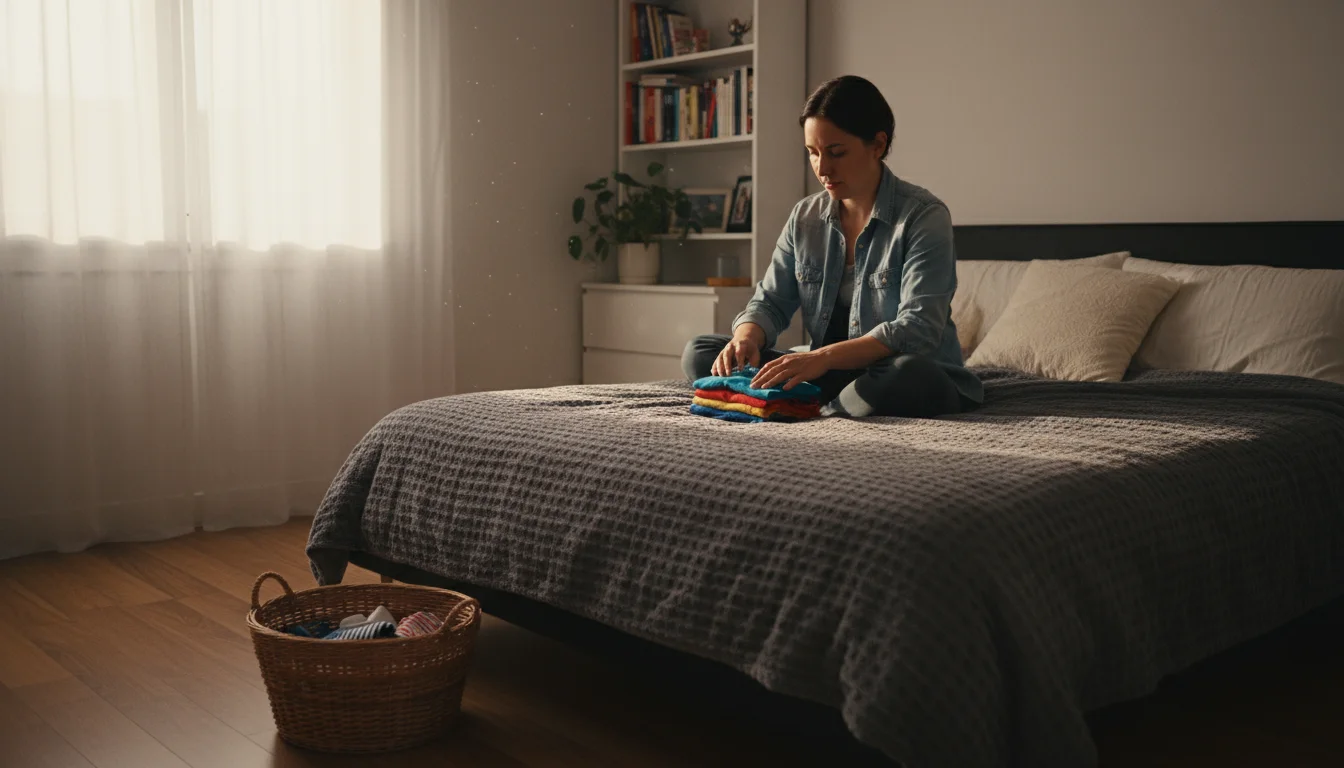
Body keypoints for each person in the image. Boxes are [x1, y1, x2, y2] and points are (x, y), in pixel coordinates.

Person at [681, 75, 982, 418]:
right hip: (826, 374)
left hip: (895, 372)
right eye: (813, 153)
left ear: (878, 145)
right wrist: (746, 338)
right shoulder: (805, 217)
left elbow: (917, 329)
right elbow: (770, 301)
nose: (822, 168)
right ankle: (823, 402)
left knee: (907, 374)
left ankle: (804, 404)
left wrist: (820, 359)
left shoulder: (924, 217)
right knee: (701, 352)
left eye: (836, 152)